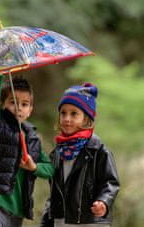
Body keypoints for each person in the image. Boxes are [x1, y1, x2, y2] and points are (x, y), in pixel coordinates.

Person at [0, 73, 55, 227]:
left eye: (24, 104)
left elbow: (50, 169)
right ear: (2, 104)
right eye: (13, 102)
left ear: (30, 109)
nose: (19, 107)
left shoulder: (33, 139)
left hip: (17, 210)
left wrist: (34, 167)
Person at [40, 83, 120, 227]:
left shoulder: (99, 151)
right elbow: (55, 192)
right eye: (63, 113)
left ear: (86, 118)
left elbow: (111, 182)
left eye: (74, 113)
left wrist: (103, 202)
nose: (67, 118)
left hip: (91, 221)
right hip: (62, 221)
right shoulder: (56, 153)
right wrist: (48, 218)